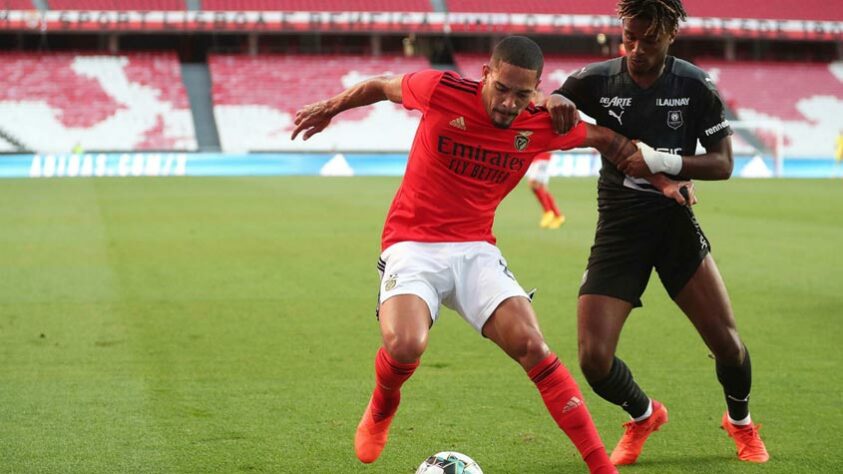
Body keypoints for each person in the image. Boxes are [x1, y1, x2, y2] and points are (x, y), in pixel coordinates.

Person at [292, 37, 693, 473]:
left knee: (533, 345)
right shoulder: (440, 90)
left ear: (537, 90)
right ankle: (382, 407)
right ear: (486, 72)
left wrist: (665, 183)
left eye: (522, 95)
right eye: (501, 88)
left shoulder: (541, 123)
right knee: (406, 344)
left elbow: (612, 143)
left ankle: (602, 468)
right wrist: (330, 107)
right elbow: (380, 86)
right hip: (412, 243)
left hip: (475, 249)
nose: (507, 103)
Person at [545, 0, 769, 466]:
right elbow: (555, 99)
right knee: (593, 359)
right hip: (620, 228)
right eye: (629, 37)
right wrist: (558, 100)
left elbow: (724, 163)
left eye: (649, 39)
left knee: (727, 344)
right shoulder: (597, 80)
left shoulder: (692, 84)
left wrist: (664, 161)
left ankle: (741, 423)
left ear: (671, 36)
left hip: (673, 226)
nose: (636, 49)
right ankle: (643, 414)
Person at [526, 150, 566, 228]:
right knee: (541, 186)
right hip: (543, 154)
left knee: (533, 183)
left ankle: (548, 212)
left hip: (540, 155)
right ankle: (558, 215)